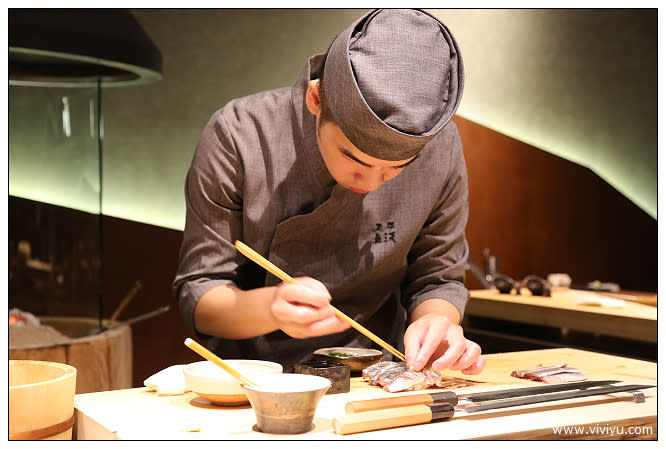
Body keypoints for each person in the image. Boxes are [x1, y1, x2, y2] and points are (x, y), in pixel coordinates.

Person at [173, 9, 486, 375]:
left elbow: (438, 278)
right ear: (316, 99)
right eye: (353, 157)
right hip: (252, 378)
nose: (370, 183)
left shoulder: (441, 148)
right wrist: (272, 306)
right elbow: (200, 292)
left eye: (396, 168)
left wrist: (437, 323)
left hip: (376, 377)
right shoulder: (241, 135)